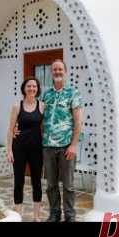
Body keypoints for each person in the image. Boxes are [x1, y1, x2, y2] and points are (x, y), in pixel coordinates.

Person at [41, 59, 83, 222]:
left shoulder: (73, 93)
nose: (57, 72)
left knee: (68, 185)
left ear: (65, 72)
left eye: (60, 69)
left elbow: (78, 121)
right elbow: (40, 118)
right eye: (54, 70)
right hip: (48, 146)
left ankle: (70, 216)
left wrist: (74, 144)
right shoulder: (46, 94)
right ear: (51, 73)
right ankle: (54, 214)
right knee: (51, 185)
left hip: (66, 146)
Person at [6, 77, 44, 222]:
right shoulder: (17, 106)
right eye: (29, 86)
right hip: (19, 149)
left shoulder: (42, 106)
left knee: (37, 182)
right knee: (18, 181)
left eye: (34, 86)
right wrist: (9, 151)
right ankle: (18, 216)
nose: (32, 89)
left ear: (37, 89)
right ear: (24, 88)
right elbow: (10, 130)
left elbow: (44, 129)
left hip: (36, 150)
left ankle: (37, 216)